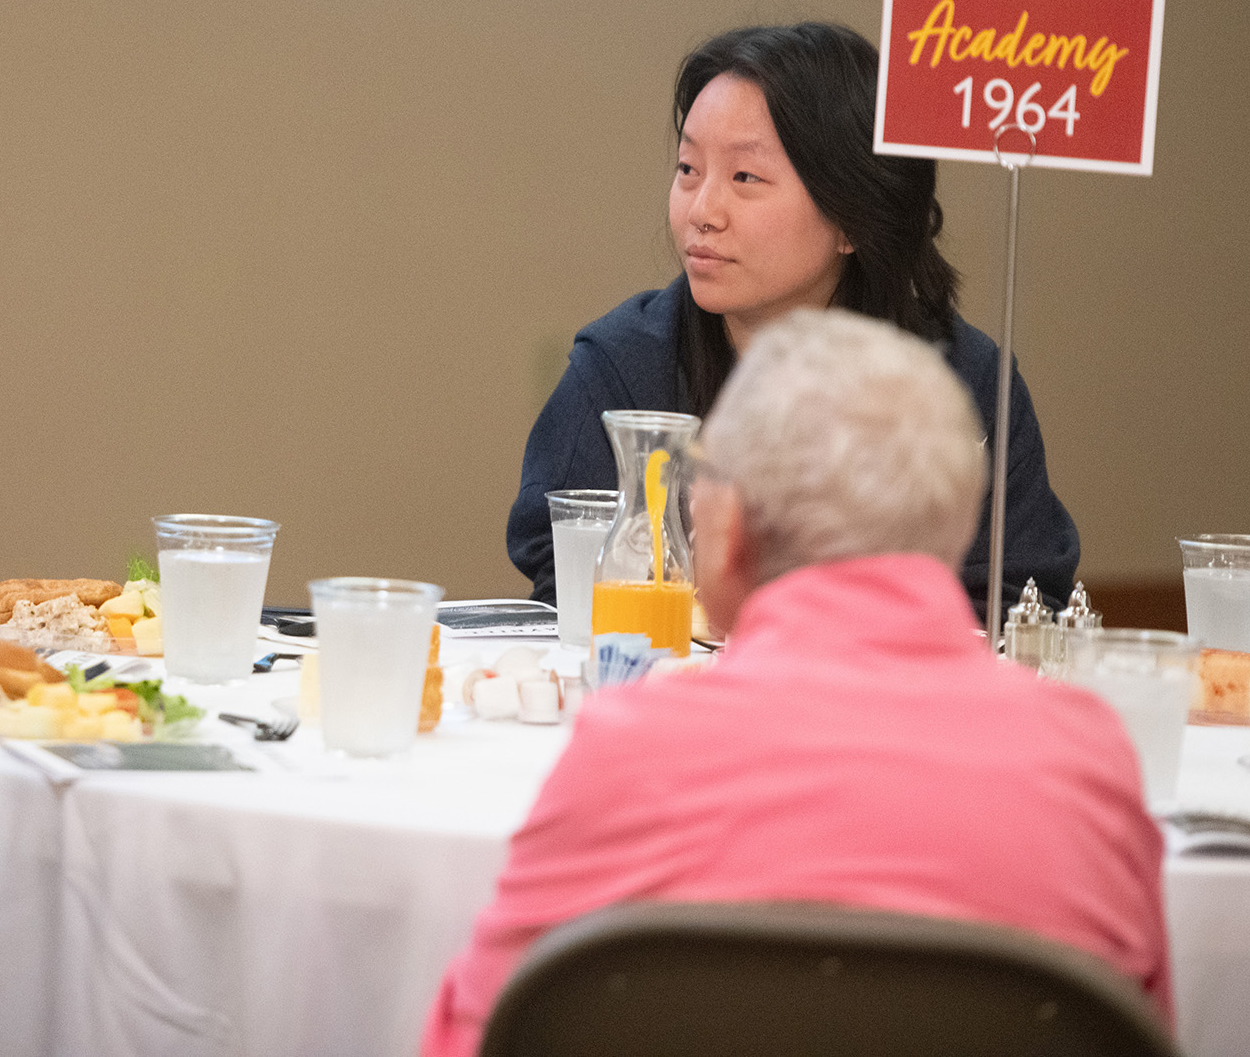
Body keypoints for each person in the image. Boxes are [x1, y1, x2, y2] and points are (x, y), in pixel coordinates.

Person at [429, 309, 1168, 1057]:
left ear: (729, 529)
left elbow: (473, 1038)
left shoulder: (631, 753)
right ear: (955, 520)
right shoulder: (1089, 766)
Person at [507, 21, 1078, 616]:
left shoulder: (962, 380)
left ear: (852, 216)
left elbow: (1019, 593)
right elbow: (561, 567)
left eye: (745, 178)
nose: (701, 211)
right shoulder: (625, 363)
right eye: (688, 169)